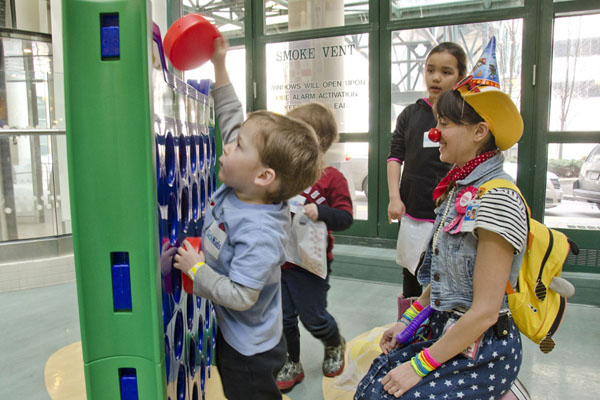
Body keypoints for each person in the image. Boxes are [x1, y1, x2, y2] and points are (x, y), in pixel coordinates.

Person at [355, 37, 527, 399]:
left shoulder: (497, 198)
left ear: (480, 132)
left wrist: (416, 368)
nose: (435, 134)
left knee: (384, 393)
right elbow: (441, 285)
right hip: (445, 328)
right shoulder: (456, 191)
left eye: (445, 124)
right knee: (376, 374)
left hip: (484, 349)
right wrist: (406, 323)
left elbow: (483, 314)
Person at [173, 36, 323, 400]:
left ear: (263, 176)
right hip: (235, 332)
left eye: (238, 145)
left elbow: (241, 296)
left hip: (250, 350)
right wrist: (220, 64)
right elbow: (230, 118)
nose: (227, 146)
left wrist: (196, 270)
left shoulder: (259, 232)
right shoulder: (244, 181)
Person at [275, 102, 354, 391]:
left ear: (317, 140)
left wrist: (320, 212)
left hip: (311, 263)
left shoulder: (332, 178)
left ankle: (334, 342)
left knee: (313, 317)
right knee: (282, 318)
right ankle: (290, 361)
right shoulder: (283, 174)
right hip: (280, 259)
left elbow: (345, 217)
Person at [387, 42, 467, 300]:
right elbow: (395, 156)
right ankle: (407, 329)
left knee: (446, 274)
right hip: (415, 207)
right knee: (411, 272)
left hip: (453, 210)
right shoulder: (410, 114)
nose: (435, 77)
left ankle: (443, 332)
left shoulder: (466, 115)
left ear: (460, 77)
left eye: (446, 72)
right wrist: (394, 198)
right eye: (430, 70)